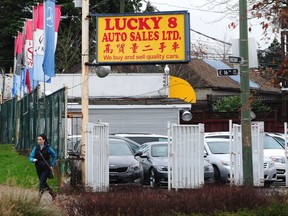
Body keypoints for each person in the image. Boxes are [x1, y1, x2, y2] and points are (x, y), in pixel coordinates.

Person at [29, 133, 57, 200]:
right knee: (43, 182)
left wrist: (52, 164)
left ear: (44, 140)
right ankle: (53, 194)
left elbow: (54, 155)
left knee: (42, 183)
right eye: (38, 140)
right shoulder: (36, 148)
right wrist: (33, 160)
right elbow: (31, 157)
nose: (39, 141)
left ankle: (38, 199)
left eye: (40, 140)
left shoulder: (48, 148)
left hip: (46, 168)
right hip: (38, 168)